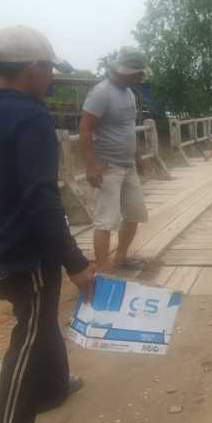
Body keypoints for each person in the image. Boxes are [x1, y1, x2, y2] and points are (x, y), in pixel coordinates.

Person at [0, 25, 96, 423]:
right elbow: (41, 196)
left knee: (43, 320)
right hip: (25, 249)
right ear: (32, 68)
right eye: (48, 69)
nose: (51, 79)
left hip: (0, 239)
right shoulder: (31, 118)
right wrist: (75, 261)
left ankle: (52, 388)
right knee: (28, 336)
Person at [79, 47, 149, 273]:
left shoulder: (129, 93)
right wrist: (91, 166)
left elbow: (129, 128)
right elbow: (85, 128)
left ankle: (120, 258)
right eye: (139, 74)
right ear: (128, 72)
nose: (141, 78)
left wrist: (137, 156)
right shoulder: (102, 93)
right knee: (106, 221)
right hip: (108, 167)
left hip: (128, 166)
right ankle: (103, 269)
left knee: (134, 214)